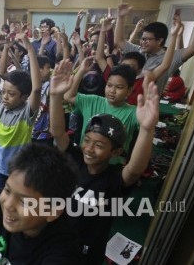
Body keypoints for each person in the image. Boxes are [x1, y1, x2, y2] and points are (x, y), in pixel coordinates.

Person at [50, 59, 159, 263]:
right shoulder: (76, 160)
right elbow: (58, 133)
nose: (89, 149)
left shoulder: (112, 179)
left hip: (85, 253)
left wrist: (146, 129)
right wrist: (55, 96)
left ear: (116, 151)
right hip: (57, 240)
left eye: (99, 146)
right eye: (87, 141)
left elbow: (135, 170)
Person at [0, 32, 41, 190]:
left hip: (19, 170)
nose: (5, 97)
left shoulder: (26, 113)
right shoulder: (1, 105)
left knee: (16, 205)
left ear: (24, 97)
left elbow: (36, 89)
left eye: (12, 94)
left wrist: (30, 49)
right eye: (4, 92)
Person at [114, 2, 194, 94]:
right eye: (142, 39)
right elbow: (119, 41)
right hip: (124, 99)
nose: (142, 42)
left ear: (159, 41)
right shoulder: (136, 51)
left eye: (147, 40)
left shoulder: (169, 57)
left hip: (148, 105)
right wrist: (121, 17)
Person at [64, 57, 138, 164]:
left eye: (119, 87)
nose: (112, 91)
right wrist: (81, 71)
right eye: (109, 85)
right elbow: (68, 96)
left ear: (129, 90)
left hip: (111, 168)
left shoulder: (133, 112)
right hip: (84, 160)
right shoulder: (93, 101)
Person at [97, 17, 178, 105]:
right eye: (124, 65)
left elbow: (164, 65)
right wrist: (103, 31)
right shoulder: (113, 77)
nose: (125, 70)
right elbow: (99, 58)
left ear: (139, 71)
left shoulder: (142, 82)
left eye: (131, 67)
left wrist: (174, 36)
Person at [31, 55, 54, 146]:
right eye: (47, 67)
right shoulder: (29, 84)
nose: (50, 70)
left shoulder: (50, 85)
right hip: (29, 133)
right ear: (39, 69)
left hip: (45, 135)